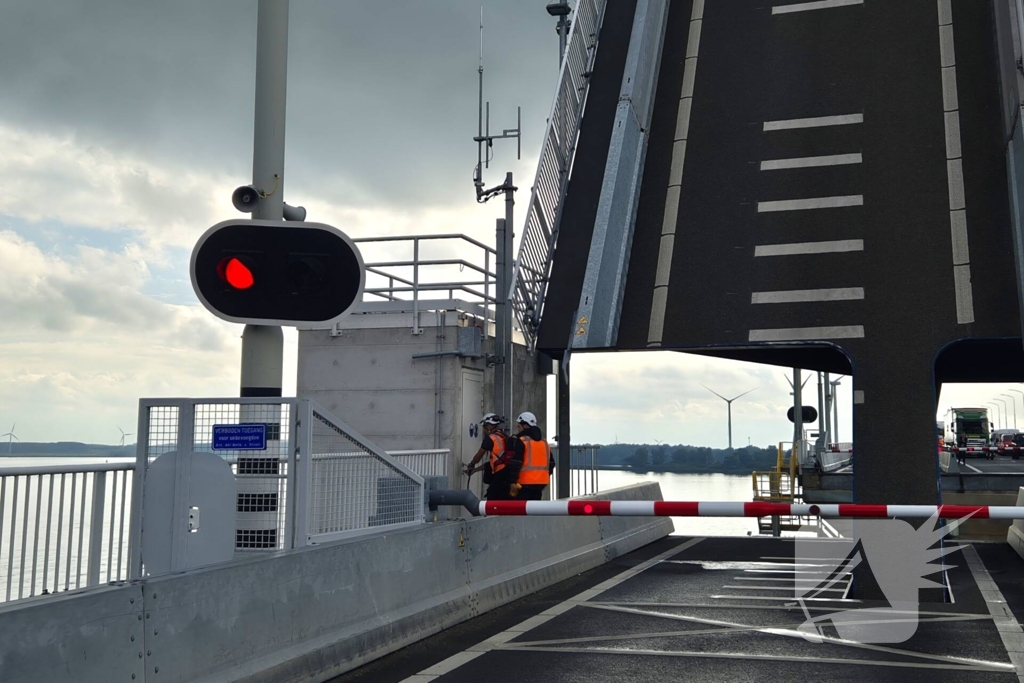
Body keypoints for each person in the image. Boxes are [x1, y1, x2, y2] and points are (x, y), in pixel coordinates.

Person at [463, 413, 518, 500]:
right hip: (508, 475)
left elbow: (478, 457)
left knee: (492, 503)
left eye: (484, 427)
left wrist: (472, 464)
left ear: (488, 426)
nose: (483, 430)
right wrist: (475, 470)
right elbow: (493, 463)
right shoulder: (504, 437)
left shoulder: (490, 438)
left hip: (499, 477)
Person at [509, 411, 552, 500]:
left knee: (521, 510)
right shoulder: (544, 443)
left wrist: (512, 481)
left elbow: (516, 463)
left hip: (524, 483)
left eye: (519, 426)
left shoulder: (522, 441)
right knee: (535, 510)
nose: (518, 429)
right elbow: (551, 463)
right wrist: (541, 476)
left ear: (525, 426)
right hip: (541, 483)